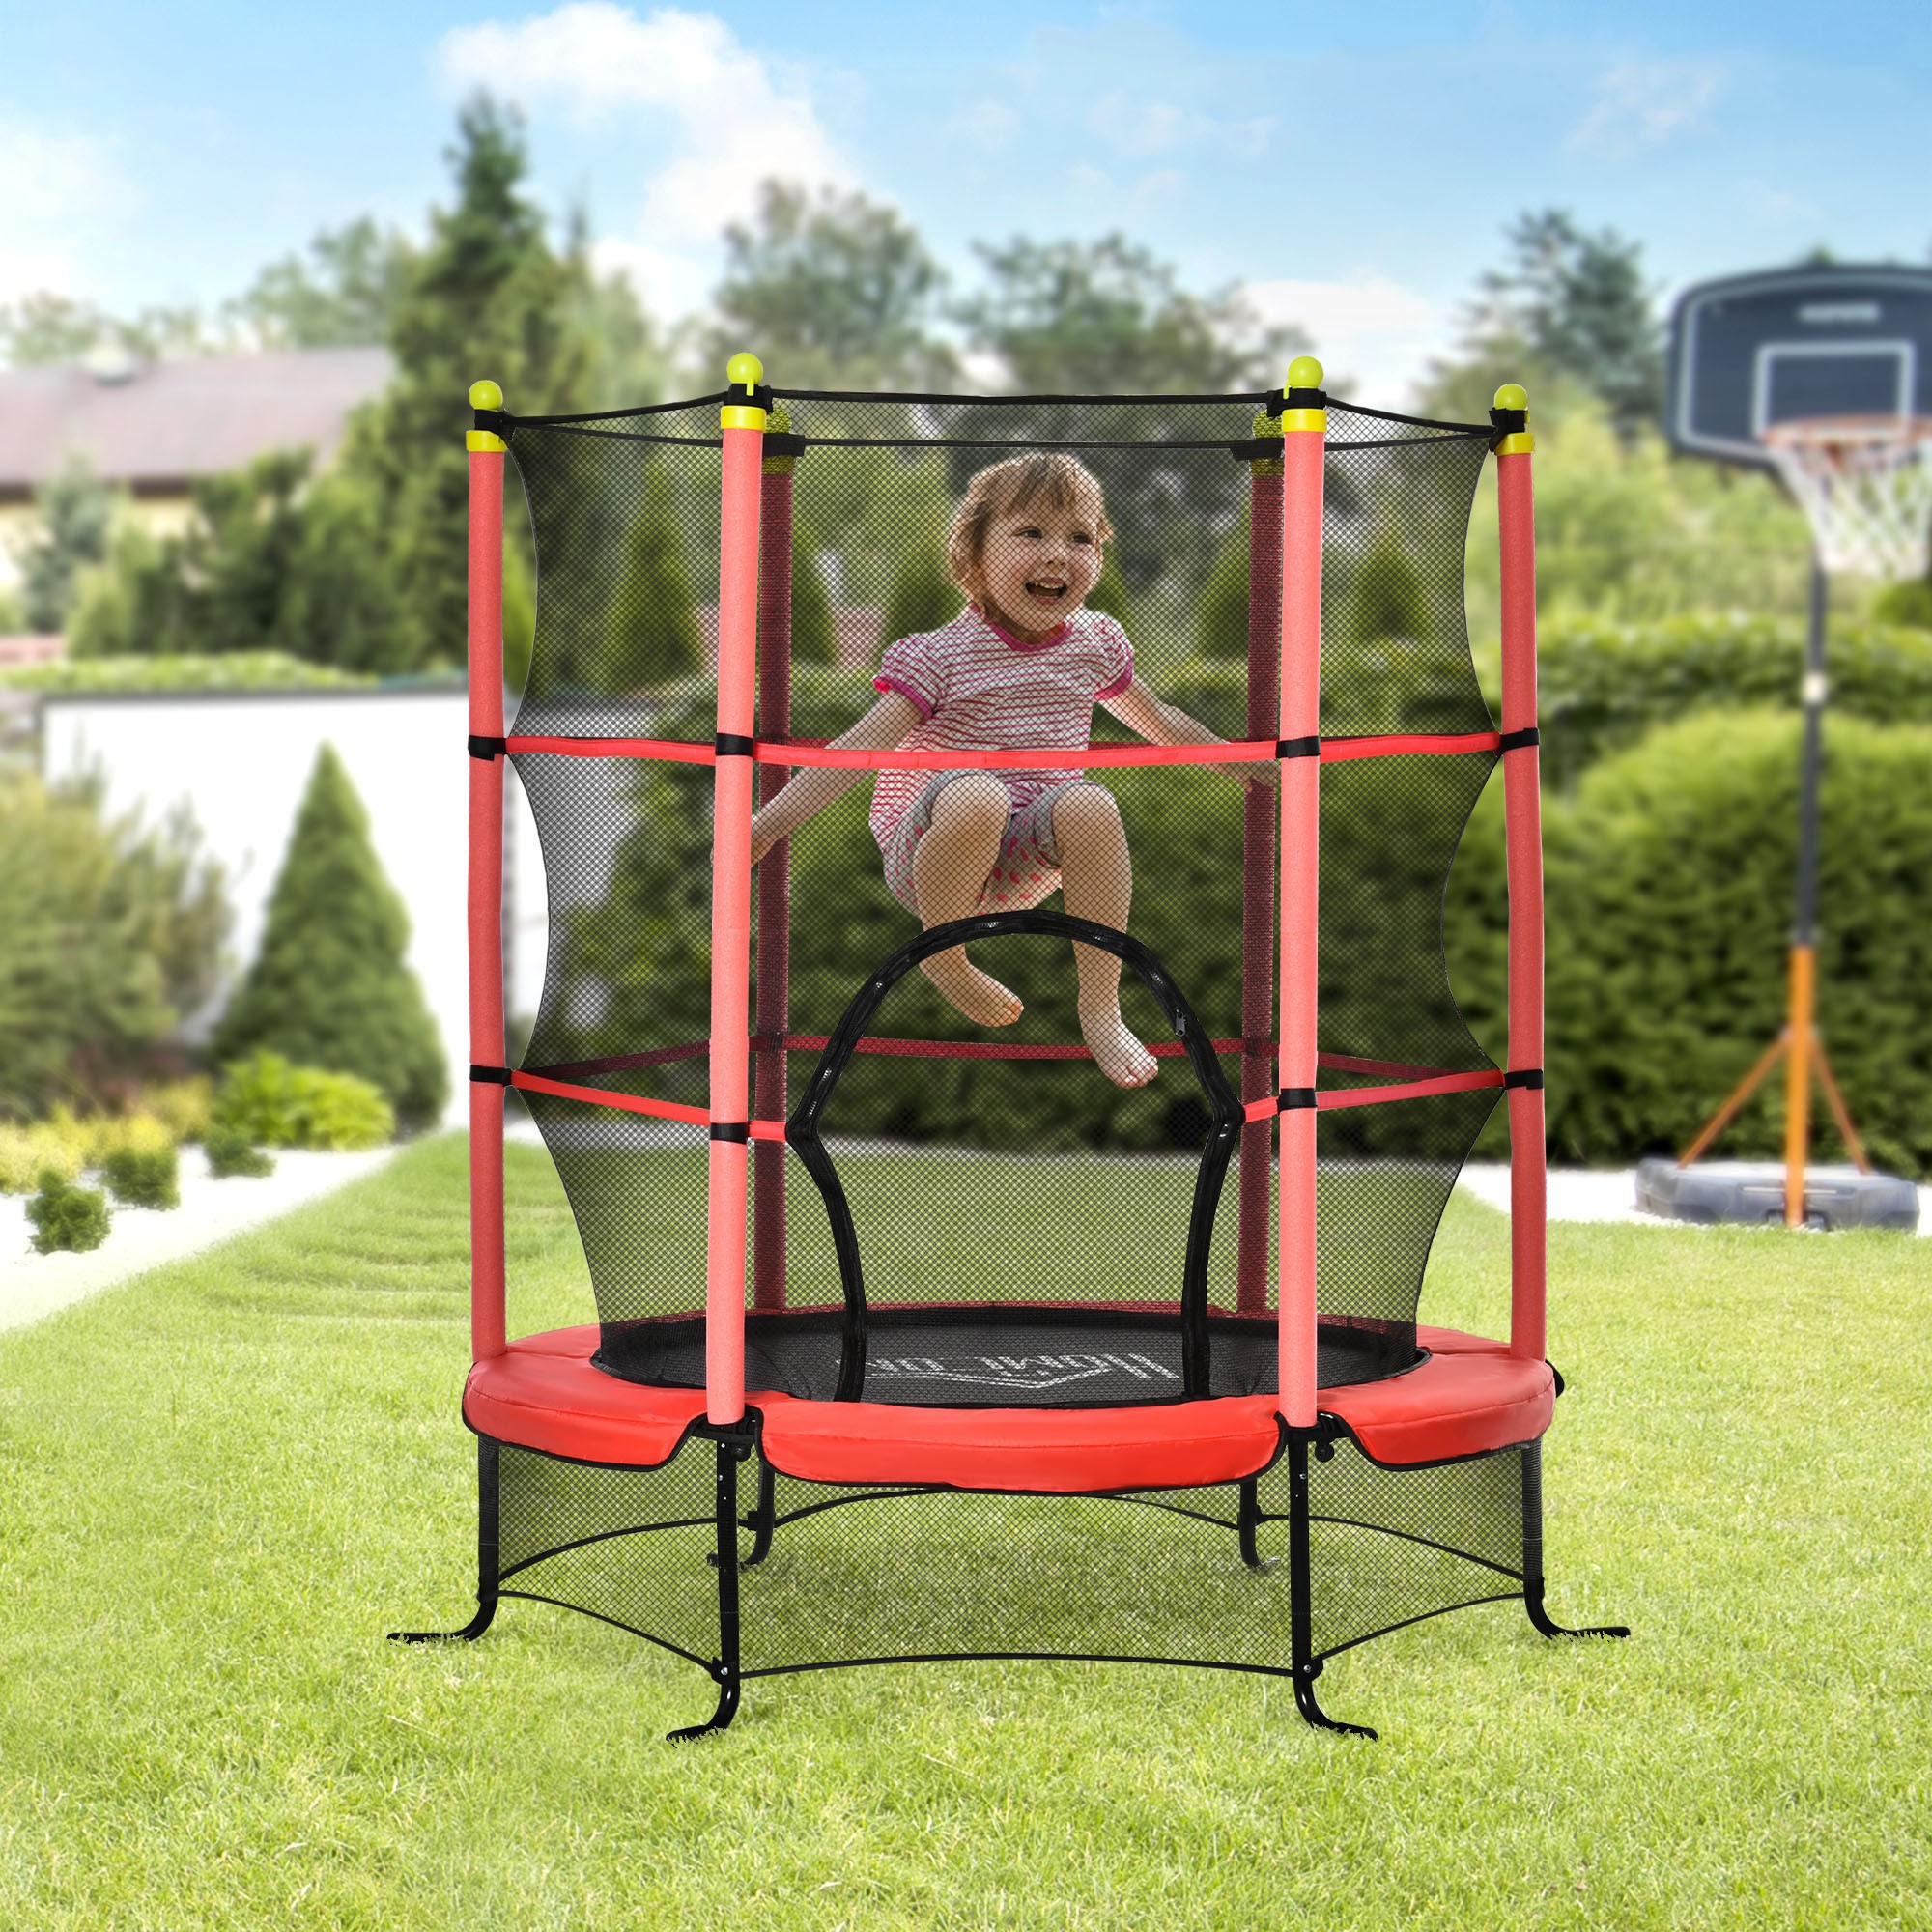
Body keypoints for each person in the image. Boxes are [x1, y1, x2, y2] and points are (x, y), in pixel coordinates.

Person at [749, 452, 1266, 1090]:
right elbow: (854, 751)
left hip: (1025, 860)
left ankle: (1100, 1007)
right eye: (1032, 533)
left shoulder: (1094, 644)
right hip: (929, 858)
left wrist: (1242, 761)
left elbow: (1161, 722)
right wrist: (766, 825)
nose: (1059, 555)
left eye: (1080, 538)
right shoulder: (939, 658)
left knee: (1092, 804)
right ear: (975, 560)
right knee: (977, 793)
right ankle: (944, 954)